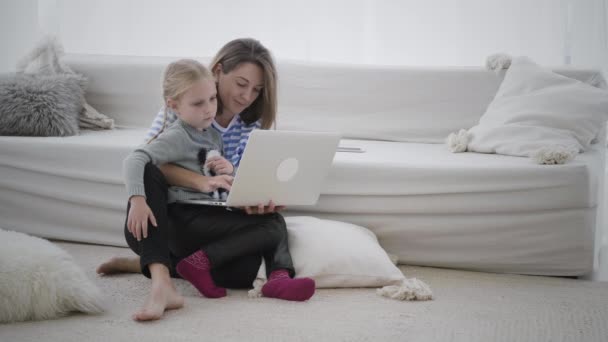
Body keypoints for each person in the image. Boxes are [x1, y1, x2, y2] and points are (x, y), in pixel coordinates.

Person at [113, 53, 314, 322]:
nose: (208, 108)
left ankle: (273, 277)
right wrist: (137, 199)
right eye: (199, 103)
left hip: (204, 213)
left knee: (254, 255)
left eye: (212, 100)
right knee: (272, 225)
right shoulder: (178, 131)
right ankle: (176, 273)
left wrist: (236, 180)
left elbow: (216, 180)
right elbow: (140, 160)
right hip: (179, 218)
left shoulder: (211, 133)